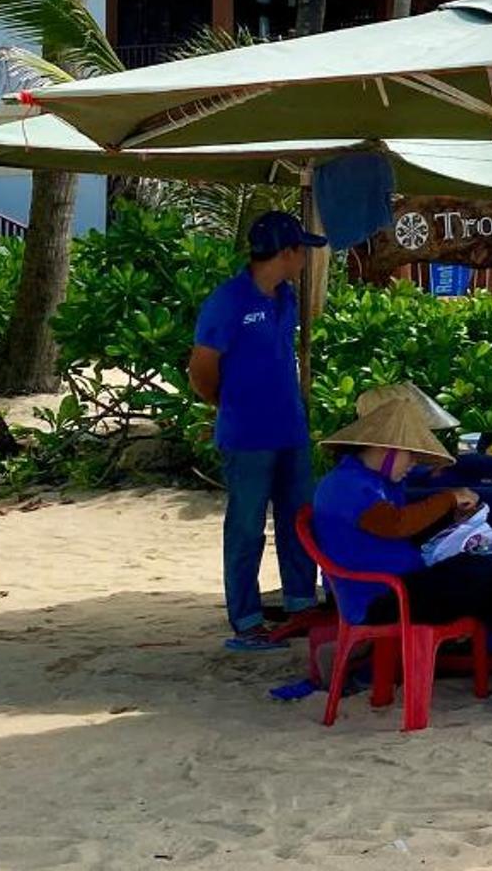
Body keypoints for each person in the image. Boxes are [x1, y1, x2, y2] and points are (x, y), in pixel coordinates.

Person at [310, 391, 492, 706]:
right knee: (479, 570)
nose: (414, 463)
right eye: (411, 454)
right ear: (386, 448)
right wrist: (448, 499)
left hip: (405, 586)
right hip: (384, 597)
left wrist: (455, 521)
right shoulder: (346, 485)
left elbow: (399, 529)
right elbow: (395, 524)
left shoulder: (373, 481)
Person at [189, 210, 324, 652]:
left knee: (298, 519)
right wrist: (232, 405)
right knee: (247, 528)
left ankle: (301, 604)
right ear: (286, 252)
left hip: (291, 431)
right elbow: (201, 371)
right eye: (301, 251)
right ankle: (246, 621)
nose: (304, 259)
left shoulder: (287, 297)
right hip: (247, 437)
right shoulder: (228, 301)